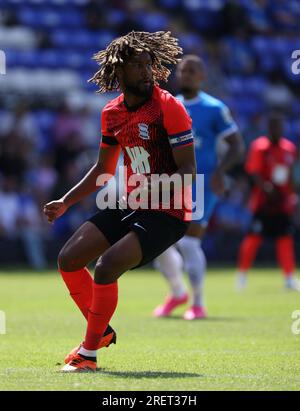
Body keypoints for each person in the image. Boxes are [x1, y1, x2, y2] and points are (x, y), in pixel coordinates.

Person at [43, 31, 196, 372]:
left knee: (107, 266)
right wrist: (66, 201)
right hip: (131, 201)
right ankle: (100, 333)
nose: (145, 71)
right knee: (69, 259)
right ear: (119, 70)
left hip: (169, 210)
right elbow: (102, 168)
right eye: (137, 65)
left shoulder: (169, 107)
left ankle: (88, 353)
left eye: (148, 64)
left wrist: (152, 192)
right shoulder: (111, 113)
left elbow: (188, 170)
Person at [154, 55, 244, 320]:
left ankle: (198, 302)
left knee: (190, 243)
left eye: (192, 71)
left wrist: (220, 172)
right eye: (182, 71)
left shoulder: (214, 108)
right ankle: (177, 292)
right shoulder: (169, 105)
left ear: (203, 76)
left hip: (201, 182)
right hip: (171, 182)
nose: (186, 75)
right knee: (156, 243)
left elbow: (237, 145)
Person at [236, 114, 300, 291]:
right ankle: (241, 276)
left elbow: (291, 176)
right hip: (262, 202)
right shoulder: (259, 147)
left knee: (285, 239)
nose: (276, 130)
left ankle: (289, 278)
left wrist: (292, 196)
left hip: (282, 203)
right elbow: (253, 172)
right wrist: (267, 188)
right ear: (268, 128)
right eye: (273, 126)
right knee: (253, 238)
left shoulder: (289, 148)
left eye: (279, 126)